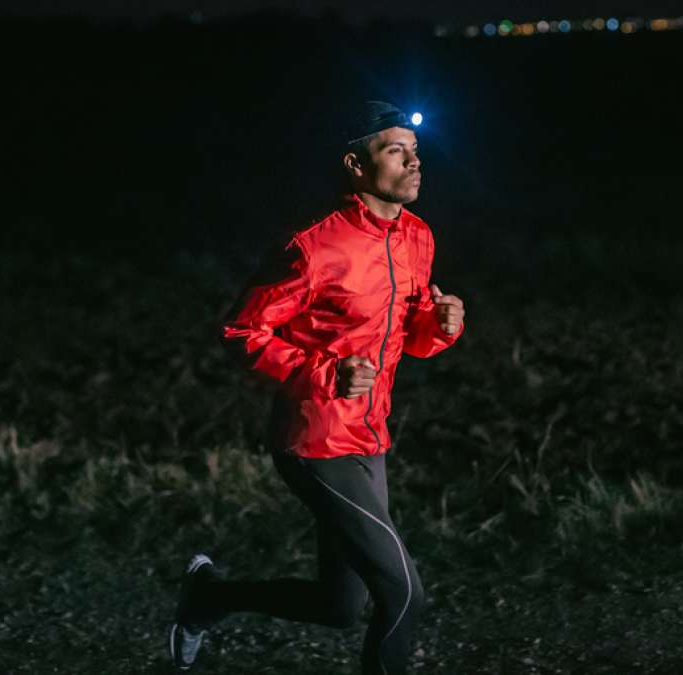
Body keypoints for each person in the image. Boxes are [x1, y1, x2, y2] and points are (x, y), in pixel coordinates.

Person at [169, 100, 466, 674]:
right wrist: (326, 373)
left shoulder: (418, 238)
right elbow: (241, 330)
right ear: (355, 164)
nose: (414, 163)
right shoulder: (312, 246)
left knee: (338, 606)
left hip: (370, 437)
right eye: (395, 151)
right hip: (314, 442)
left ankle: (208, 598)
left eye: (416, 151)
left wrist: (439, 325)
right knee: (404, 594)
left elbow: (409, 334)